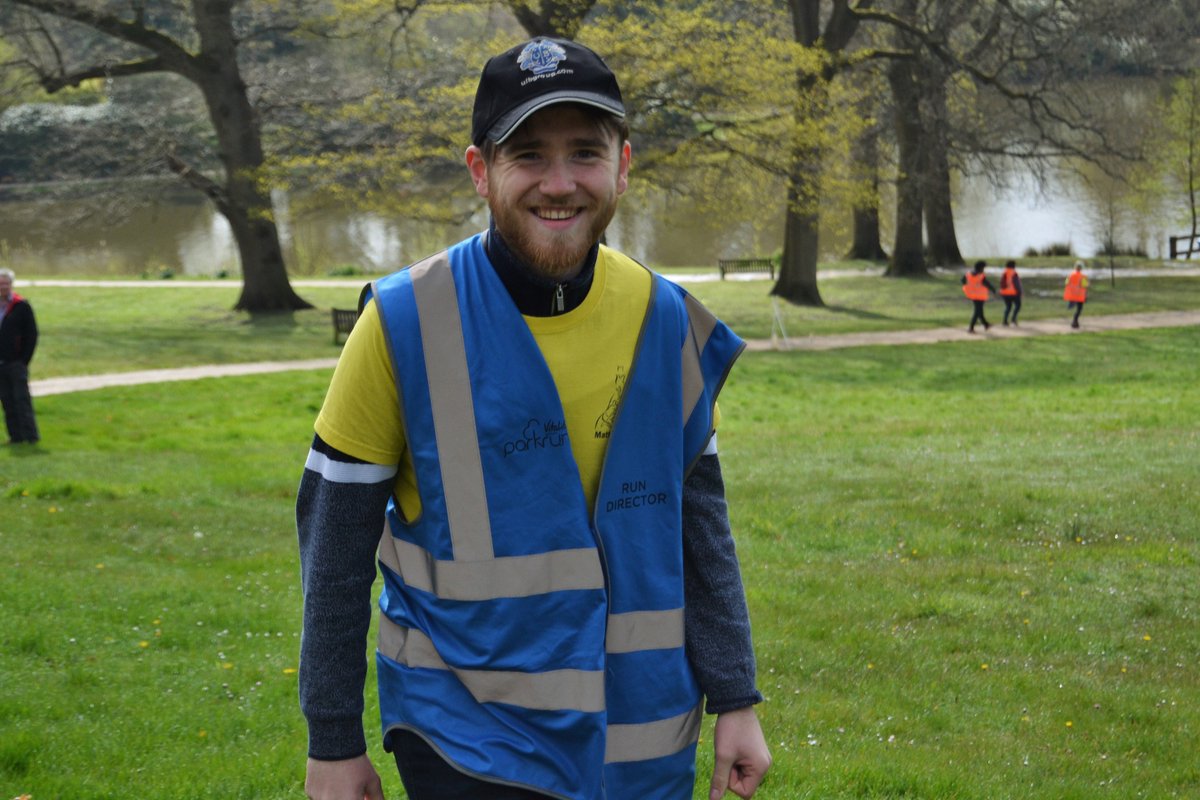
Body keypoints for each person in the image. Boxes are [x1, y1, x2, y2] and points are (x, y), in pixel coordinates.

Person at [296, 37, 771, 800]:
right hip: (467, 738)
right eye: (528, 155)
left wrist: (736, 696)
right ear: (481, 171)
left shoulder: (667, 317)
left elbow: (699, 523)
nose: (560, 184)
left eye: (585, 152)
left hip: (646, 738)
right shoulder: (402, 322)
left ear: (623, 164)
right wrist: (332, 740)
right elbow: (335, 547)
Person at [0, 268, 40, 445]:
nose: (2, 287)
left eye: (5, 284)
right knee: (7, 401)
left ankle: (31, 436)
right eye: (0, 284)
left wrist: (24, 360)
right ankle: (15, 437)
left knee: (21, 400)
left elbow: (32, 334)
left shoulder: (21, 306)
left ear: (11, 285)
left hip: (16, 362)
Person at [961, 260, 995, 333]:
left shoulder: (968, 274)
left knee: (979, 310)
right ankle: (971, 328)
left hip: (972, 294)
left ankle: (986, 324)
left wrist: (967, 287)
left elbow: (963, 281)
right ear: (981, 268)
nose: (984, 269)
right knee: (977, 311)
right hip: (980, 295)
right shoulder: (981, 275)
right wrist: (993, 289)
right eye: (983, 268)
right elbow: (987, 284)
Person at [1064, 259, 1089, 328]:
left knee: (1075, 307)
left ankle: (1075, 322)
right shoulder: (1082, 276)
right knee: (1079, 309)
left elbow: (1066, 283)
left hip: (1072, 295)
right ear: (1081, 268)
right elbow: (1085, 286)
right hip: (1080, 296)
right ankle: (1075, 321)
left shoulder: (1070, 275)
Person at [999, 259, 1022, 326]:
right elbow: (1016, 283)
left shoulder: (1004, 272)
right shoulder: (1014, 273)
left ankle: (1005, 321)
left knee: (1008, 307)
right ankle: (1013, 319)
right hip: (1013, 293)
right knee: (1018, 305)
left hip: (1004, 293)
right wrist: (1020, 291)